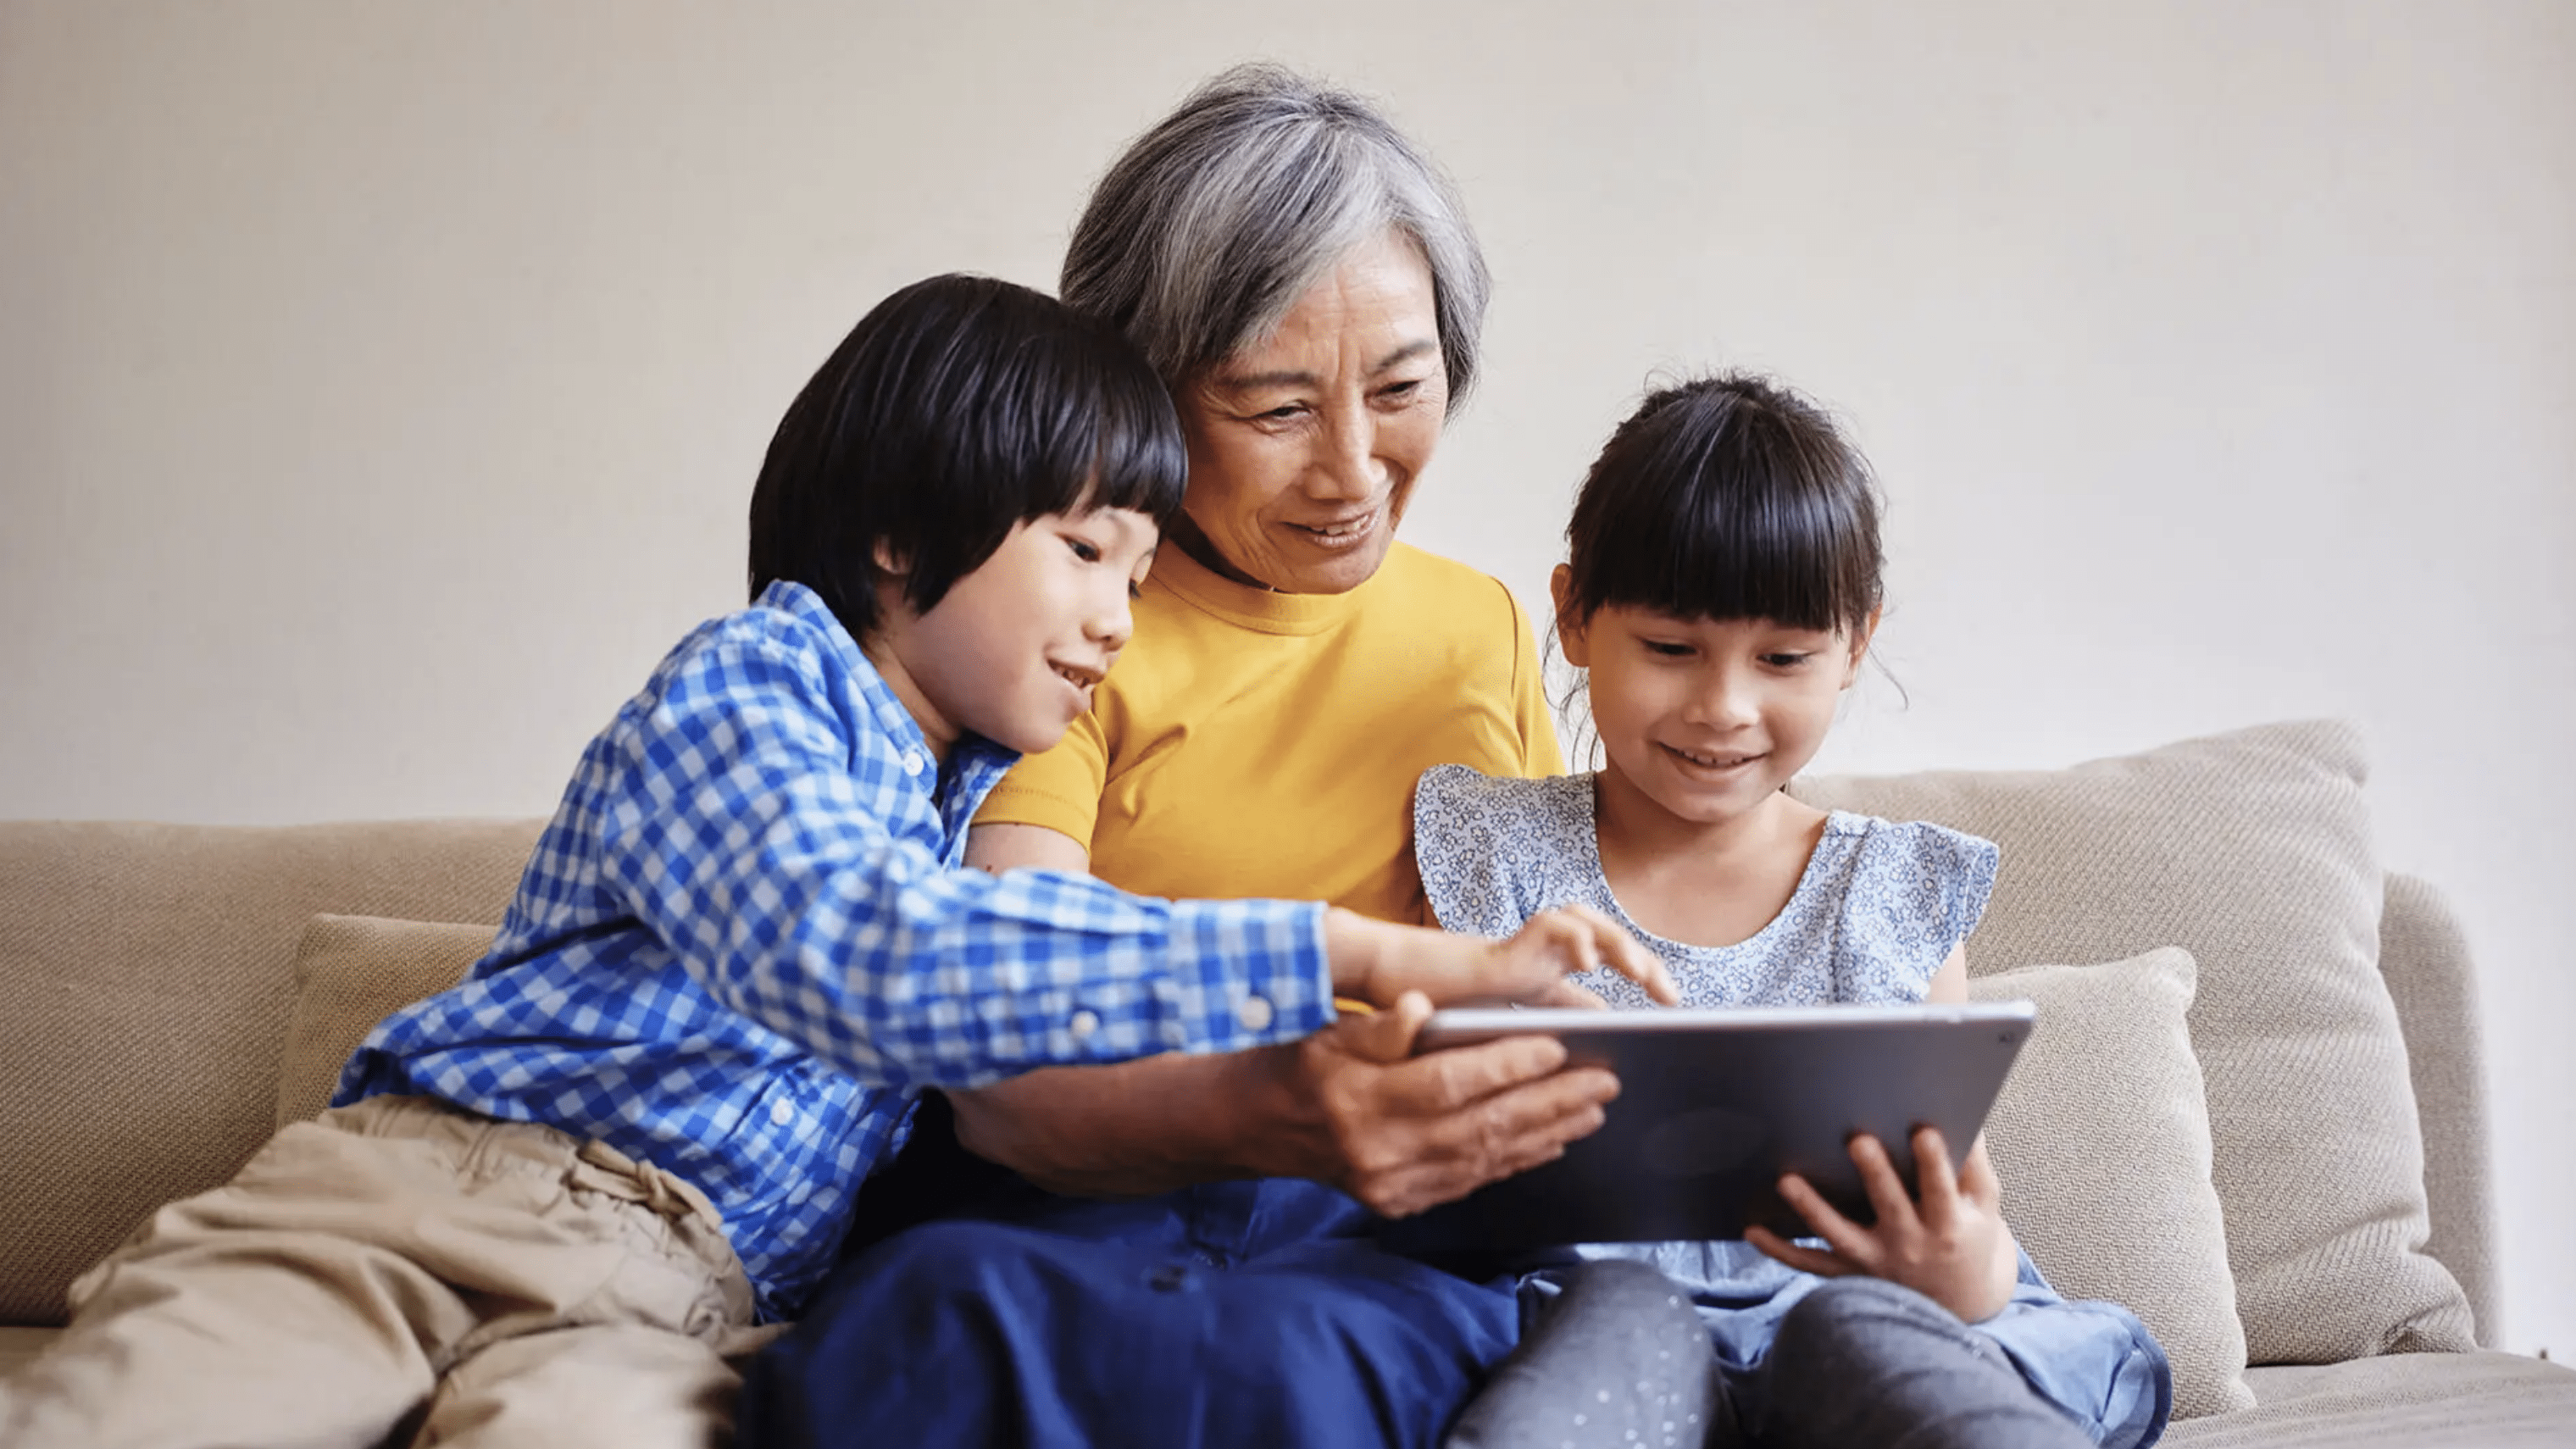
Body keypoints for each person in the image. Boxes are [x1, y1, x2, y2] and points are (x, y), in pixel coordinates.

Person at [0, 274, 1663, 1449]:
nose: (1114, 616)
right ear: (895, 537)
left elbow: (1034, 1041)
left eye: (1139, 572)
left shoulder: (973, 794)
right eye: (1086, 554)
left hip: (676, 1308)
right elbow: (879, 959)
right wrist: (1359, 953)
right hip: (438, 1194)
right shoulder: (750, 687)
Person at [738, 65, 1673, 1449]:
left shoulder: (1479, 627)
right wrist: (1284, 1114)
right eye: (1277, 407)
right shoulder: (1057, 627)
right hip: (1094, 1199)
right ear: (1148, 394)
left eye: (1402, 389)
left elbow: (1557, 969)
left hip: (1388, 1230)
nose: (1355, 468)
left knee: (1377, 1341)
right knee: (943, 1316)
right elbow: (1000, 1069)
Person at [1418, 374, 2174, 1449]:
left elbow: (1966, 1211)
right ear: (1575, 616)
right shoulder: (1488, 852)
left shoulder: (1893, 896)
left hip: (1860, 1310)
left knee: (1856, 1331)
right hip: (1591, 1314)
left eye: (1782, 660)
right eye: (1671, 649)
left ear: (1854, 647)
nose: (1723, 707)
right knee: (1618, 1329)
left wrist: (1956, 1271)